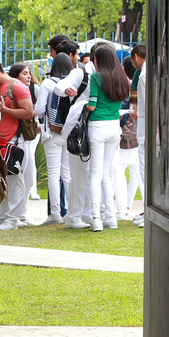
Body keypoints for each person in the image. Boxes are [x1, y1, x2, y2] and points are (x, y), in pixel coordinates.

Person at [0, 59, 34, 231]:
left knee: (15, 179)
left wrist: (6, 110)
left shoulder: (17, 87)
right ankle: (3, 217)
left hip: (15, 141)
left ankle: (11, 219)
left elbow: (29, 112)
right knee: (5, 180)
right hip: (2, 141)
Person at [85, 43, 131, 232]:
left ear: (98, 60)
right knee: (107, 172)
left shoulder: (96, 77)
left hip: (98, 125)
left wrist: (83, 106)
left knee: (95, 174)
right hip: (114, 126)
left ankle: (96, 217)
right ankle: (110, 216)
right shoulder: (121, 77)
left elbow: (92, 105)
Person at [52, 40, 92, 229]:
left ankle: (87, 213)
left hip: (93, 126)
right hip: (80, 127)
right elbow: (60, 86)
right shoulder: (80, 73)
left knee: (90, 173)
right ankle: (75, 216)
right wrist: (66, 90)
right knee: (79, 173)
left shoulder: (101, 74)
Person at [35, 53, 74, 226]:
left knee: (53, 174)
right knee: (67, 173)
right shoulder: (73, 83)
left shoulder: (48, 83)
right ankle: (71, 211)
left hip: (52, 133)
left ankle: (55, 213)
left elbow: (39, 109)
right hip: (68, 132)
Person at [10, 63, 42, 206]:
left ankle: (31, 192)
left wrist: (29, 112)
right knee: (20, 166)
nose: (29, 76)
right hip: (15, 132)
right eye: (24, 73)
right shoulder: (10, 90)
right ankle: (20, 206)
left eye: (29, 73)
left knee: (29, 159)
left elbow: (40, 109)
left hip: (30, 130)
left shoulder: (34, 88)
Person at [129, 45, 147, 227]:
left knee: (144, 168)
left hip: (146, 124)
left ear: (135, 57)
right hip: (145, 123)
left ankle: (149, 210)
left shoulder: (143, 75)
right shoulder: (146, 73)